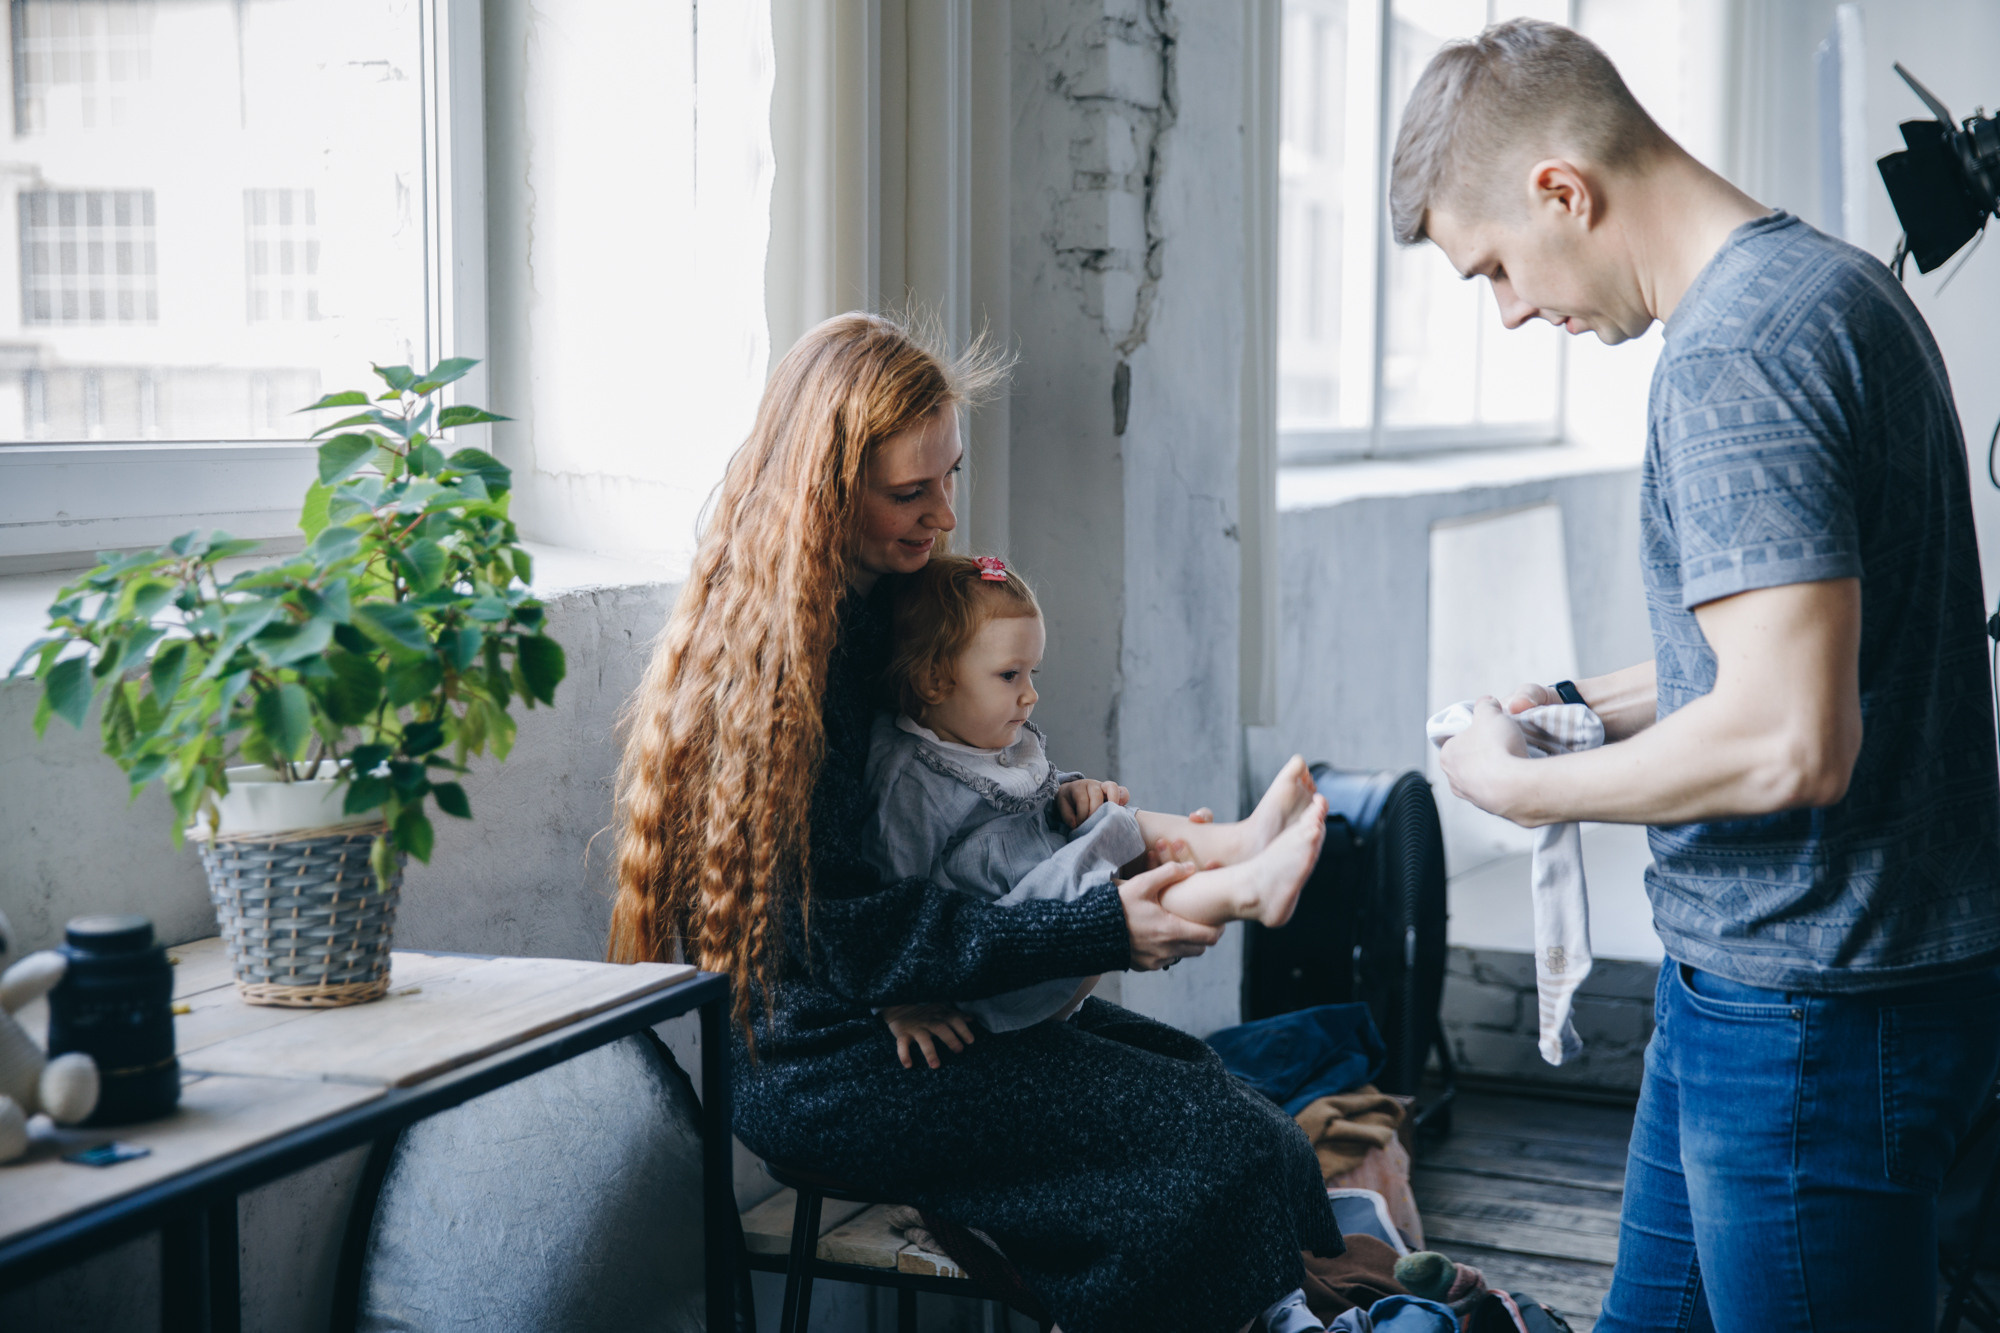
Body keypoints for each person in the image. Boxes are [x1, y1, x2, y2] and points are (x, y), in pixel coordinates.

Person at [1393, 19, 2000, 1330]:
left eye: (1494, 266)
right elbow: (1781, 653)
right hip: (1783, 989)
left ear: (1564, 189)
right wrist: (1571, 711)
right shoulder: (1825, 287)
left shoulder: (1735, 353)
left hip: (1808, 1018)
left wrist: (1521, 788)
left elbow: (1789, 736)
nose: (1509, 309)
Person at [609, 313, 1340, 1333]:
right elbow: (843, 933)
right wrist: (1102, 928)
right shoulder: (782, 674)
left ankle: (1312, 1301)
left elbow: (962, 796)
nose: (943, 515)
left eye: (948, 477)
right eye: (910, 492)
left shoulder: (881, 609)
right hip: (839, 1066)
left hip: (900, 1009)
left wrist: (1071, 802)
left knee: (1210, 1087)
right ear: (826, 490)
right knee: (1206, 1148)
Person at [861, 551, 1326, 1063]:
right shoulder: (908, 779)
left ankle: (1240, 841)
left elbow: (1016, 794)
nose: (1030, 694)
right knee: (1103, 899)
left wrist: (1068, 791)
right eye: (1009, 676)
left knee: (1112, 818)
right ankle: (1244, 892)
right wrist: (900, 1004)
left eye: (1032, 672)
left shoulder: (980, 734)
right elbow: (888, 906)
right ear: (934, 681)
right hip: (1004, 959)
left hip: (1042, 894)